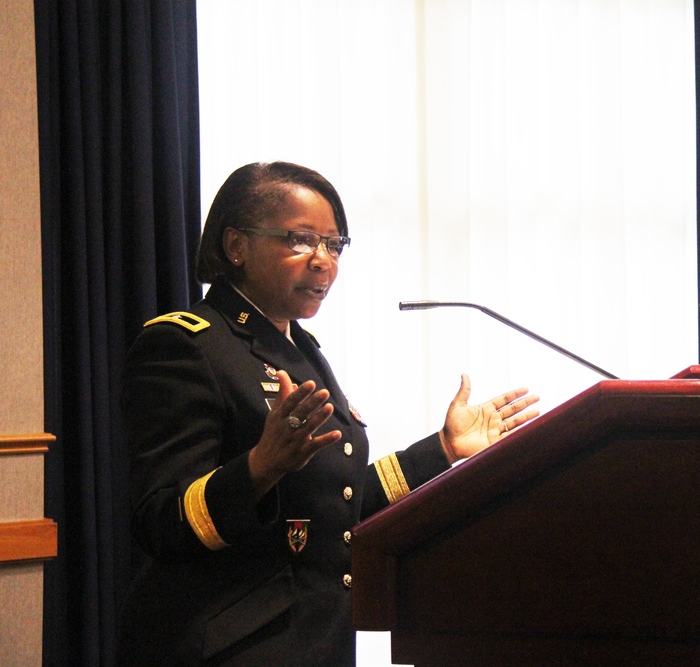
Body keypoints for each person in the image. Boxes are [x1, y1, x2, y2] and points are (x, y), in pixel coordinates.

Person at [117, 161, 540, 666]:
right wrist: (259, 468)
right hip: (228, 649)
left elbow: (333, 503)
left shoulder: (299, 347)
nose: (324, 261)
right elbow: (159, 522)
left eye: (334, 245)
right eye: (300, 240)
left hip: (317, 642)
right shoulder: (185, 345)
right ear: (236, 247)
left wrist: (443, 450)